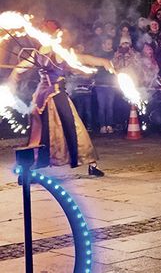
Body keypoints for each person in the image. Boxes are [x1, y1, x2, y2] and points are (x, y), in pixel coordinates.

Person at [8, 20, 112, 176]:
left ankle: (37, 165)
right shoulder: (58, 51)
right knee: (74, 128)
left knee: (43, 132)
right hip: (56, 96)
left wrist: (13, 76)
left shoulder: (40, 52)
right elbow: (83, 59)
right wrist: (103, 62)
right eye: (59, 32)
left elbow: (20, 67)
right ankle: (90, 164)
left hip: (41, 98)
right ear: (55, 33)